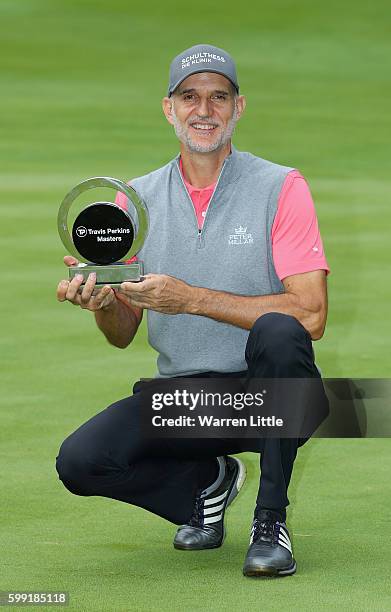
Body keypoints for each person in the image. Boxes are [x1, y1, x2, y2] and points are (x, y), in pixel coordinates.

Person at [56, 44, 330, 577]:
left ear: (238, 107)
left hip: (270, 398)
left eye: (217, 97)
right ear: (169, 108)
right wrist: (102, 302)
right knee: (81, 461)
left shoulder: (282, 187)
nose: (203, 110)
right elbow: (121, 332)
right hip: (187, 403)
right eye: (189, 97)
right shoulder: (131, 200)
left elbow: (312, 315)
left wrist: (192, 299)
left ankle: (270, 519)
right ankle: (207, 486)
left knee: (281, 330)